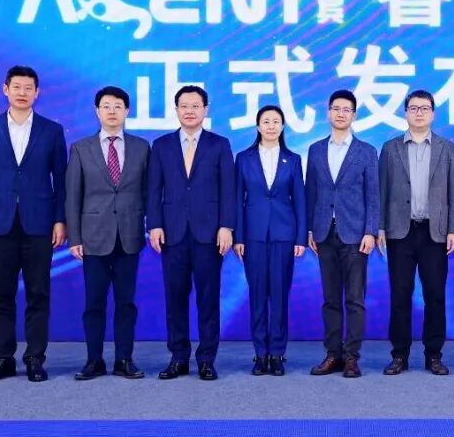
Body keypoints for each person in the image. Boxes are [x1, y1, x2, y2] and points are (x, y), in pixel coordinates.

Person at [0, 66, 67, 383]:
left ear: (37, 93)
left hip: (40, 224)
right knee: (3, 294)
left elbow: (62, 180)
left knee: (38, 294)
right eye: (17, 87)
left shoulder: (52, 130)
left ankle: (35, 358)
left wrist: (60, 219)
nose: (22, 93)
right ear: (5, 89)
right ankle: (3, 358)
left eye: (28, 88)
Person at [147, 85, 235, 381]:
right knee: (175, 298)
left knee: (208, 299)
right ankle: (178, 357)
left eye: (195, 106)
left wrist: (226, 226)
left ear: (205, 110)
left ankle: (207, 359)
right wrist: (154, 224)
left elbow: (228, 189)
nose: (189, 111)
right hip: (172, 234)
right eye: (184, 106)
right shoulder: (161, 145)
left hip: (209, 234)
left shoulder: (219, 144)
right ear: (176, 110)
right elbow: (153, 189)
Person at [65, 86, 150, 381]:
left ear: (127, 111)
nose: (112, 111)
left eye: (118, 106)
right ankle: (94, 360)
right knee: (94, 303)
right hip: (93, 237)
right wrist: (75, 238)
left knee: (126, 303)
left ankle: (124, 359)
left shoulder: (141, 147)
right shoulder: (81, 148)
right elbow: (72, 196)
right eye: (106, 106)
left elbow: (148, 193)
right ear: (97, 111)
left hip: (129, 236)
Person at [377, 90, 454, 376]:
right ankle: (399, 355)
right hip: (399, 232)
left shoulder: (447, 148)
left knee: (435, 295)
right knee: (400, 295)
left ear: (433, 114)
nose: (419, 113)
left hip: (434, 233)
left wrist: (453, 229)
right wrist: (380, 227)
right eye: (413, 108)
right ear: (405, 113)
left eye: (425, 108)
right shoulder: (390, 148)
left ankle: (434, 355)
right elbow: (381, 190)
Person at [305, 89, 379, 378]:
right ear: (328, 112)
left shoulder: (366, 151)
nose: (340, 113)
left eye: (346, 109)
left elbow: (373, 195)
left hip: (355, 234)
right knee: (330, 298)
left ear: (354, 115)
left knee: (355, 299)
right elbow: (311, 192)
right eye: (336, 108)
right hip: (324, 232)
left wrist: (371, 231)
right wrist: (309, 229)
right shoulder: (315, 150)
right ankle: (332, 354)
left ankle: (351, 357)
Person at [233, 105, 307, 376]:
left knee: (279, 295)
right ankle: (260, 353)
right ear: (258, 126)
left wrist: (300, 237)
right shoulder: (244, 158)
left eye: (276, 121)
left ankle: (277, 353)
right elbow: (236, 199)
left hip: (284, 235)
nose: (271, 126)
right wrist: (238, 236)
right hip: (253, 236)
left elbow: (299, 200)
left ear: (283, 127)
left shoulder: (293, 159)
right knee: (257, 295)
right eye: (266, 121)